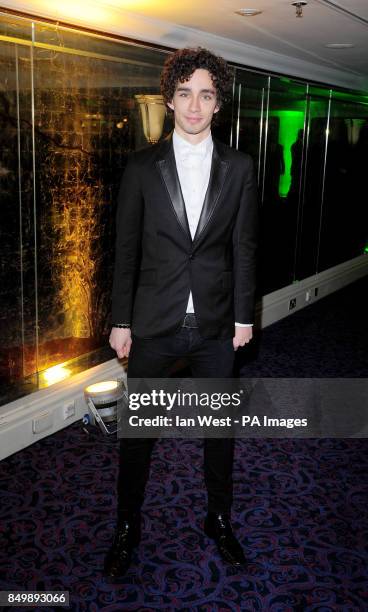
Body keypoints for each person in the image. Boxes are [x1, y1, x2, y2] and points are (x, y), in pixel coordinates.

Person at [104, 47, 258, 577]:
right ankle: (128, 522)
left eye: (207, 95)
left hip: (217, 327)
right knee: (139, 430)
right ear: (170, 100)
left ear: (219, 105)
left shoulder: (240, 167)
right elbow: (126, 249)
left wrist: (243, 317)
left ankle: (218, 517)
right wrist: (120, 320)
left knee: (219, 432)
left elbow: (244, 248)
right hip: (154, 323)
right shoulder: (142, 167)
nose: (195, 105)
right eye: (186, 93)